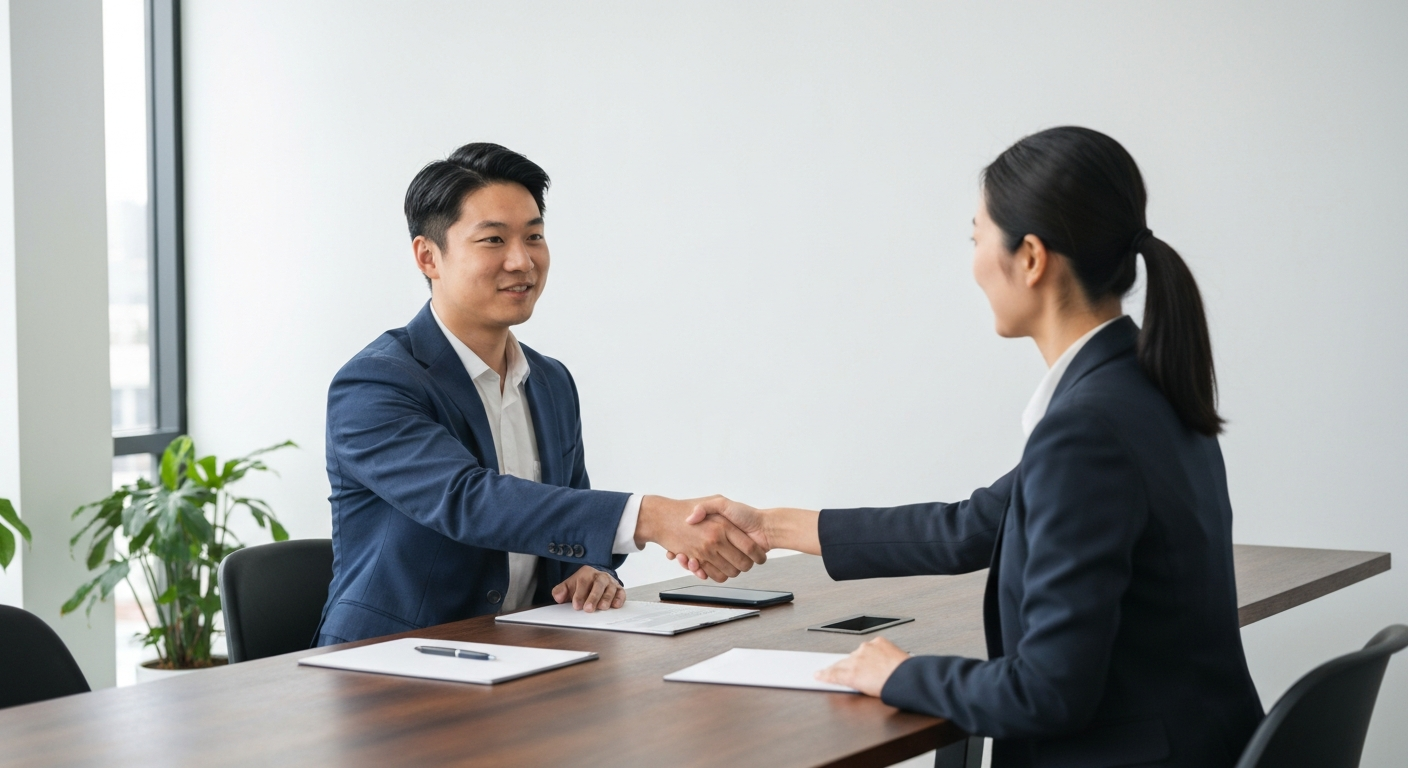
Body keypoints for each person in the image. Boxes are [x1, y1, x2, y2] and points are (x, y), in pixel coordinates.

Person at [673, 127, 1265, 767]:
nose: (974, 259)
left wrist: (901, 674)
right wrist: (769, 526)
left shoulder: (1088, 430)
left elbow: (1047, 693)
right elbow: (972, 526)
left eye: (977, 236)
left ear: (1031, 258)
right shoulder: (1142, 388)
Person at [314, 143, 763, 647]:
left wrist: (591, 569)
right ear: (428, 256)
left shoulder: (549, 380)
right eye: (493, 240)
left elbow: (564, 507)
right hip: (389, 663)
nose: (521, 260)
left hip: (523, 652)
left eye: (534, 237)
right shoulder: (376, 383)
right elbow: (468, 502)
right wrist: (651, 518)